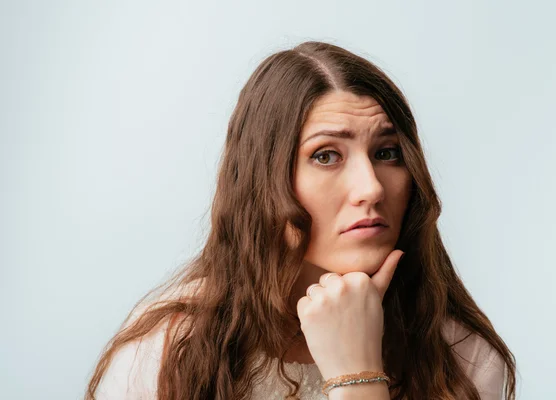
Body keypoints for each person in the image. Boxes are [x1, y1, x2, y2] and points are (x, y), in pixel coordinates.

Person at [85, 41, 517, 400]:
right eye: (326, 155)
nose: (371, 188)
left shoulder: (459, 355)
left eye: (387, 153)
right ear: (264, 181)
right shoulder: (169, 348)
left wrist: (357, 375)